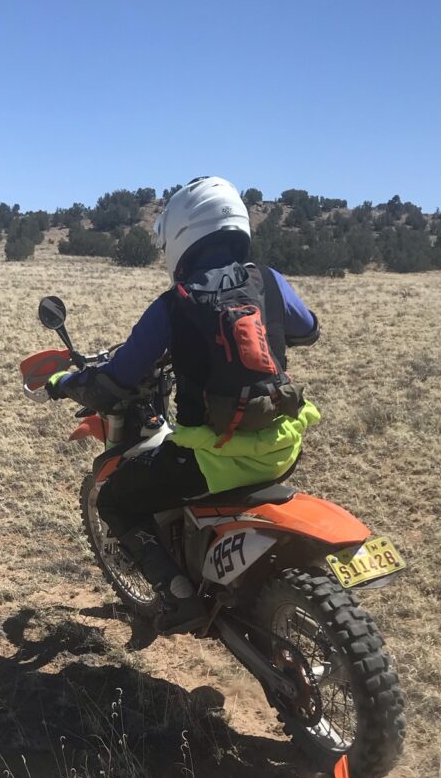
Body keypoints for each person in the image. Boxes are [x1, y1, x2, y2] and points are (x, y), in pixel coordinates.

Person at [47, 176, 321, 634]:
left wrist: (66, 382)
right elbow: (308, 329)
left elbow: (115, 379)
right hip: (284, 447)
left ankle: (178, 597)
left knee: (115, 500)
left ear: (181, 235)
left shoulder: (174, 305)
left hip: (210, 462)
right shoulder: (269, 281)